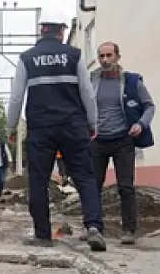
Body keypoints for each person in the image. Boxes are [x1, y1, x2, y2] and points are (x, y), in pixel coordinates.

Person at [6, 19, 107, 251]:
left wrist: (11, 128)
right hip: (73, 126)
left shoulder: (27, 58)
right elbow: (88, 94)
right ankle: (93, 226)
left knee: (39, 181)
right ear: (61, 34)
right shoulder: (75, 55)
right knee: (85, 178)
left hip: (40, 129)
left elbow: (16, 98)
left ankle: (43, 234)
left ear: (41, 34)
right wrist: (93, 124)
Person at [90, 41, 156, 245]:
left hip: (123, 140)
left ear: (118, 57)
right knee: (93, 186)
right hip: (98, 140)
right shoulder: (92, 81)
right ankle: (93, 228)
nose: (105, 60)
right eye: (101, 56)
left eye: (109, 55)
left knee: (125, 186)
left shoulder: (131, 81)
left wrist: (141, 124)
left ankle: (129, 230)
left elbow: (149, 106)